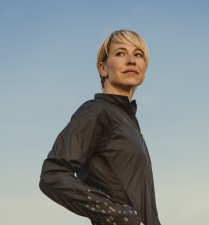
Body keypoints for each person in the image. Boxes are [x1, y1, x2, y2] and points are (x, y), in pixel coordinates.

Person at [39, 29, 161, 225]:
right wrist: (119, 216)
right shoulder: (97, 111)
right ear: (103, 68)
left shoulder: (128, 124)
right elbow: (52, 174)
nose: (131, 60)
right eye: (120, 53)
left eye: (138, 54)